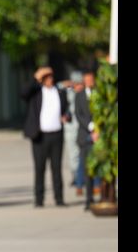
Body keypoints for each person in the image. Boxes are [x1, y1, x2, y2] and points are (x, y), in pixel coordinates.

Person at [21, 66, 70, 207]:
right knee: (39, 168)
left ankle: (59, 198)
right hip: (40, 136)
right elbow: (23, 92)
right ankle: (39, 198)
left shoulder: (59, 92)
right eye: (46, 78)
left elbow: (66, 109)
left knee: (56, 167)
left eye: (51, 77)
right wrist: (36, 76)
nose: (50, 80)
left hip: (56, 134)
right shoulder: (36, 93)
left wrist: (66, 116)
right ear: (42, 80)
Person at [75, 70, 99, 210]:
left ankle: (105, 196)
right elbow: (79, 114)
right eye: (87, 79)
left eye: (91, 78)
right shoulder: (79, 95)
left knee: (100, 169)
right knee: (87, 168)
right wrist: (91, 127)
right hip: (85, 136)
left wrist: (98, 129)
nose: (89, 81)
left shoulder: (100, 93)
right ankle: (88, 199)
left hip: (99, 135)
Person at [60, 72, 84, 191]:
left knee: (83, 153)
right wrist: (67, 84)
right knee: (72, 154)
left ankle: (83, 177)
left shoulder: (86, 93)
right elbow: (57, 86)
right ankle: (75, 176)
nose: (77, 85)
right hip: (70, 128)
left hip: (83, 128)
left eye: (80, 83)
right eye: (75, 83)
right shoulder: (68, 93)